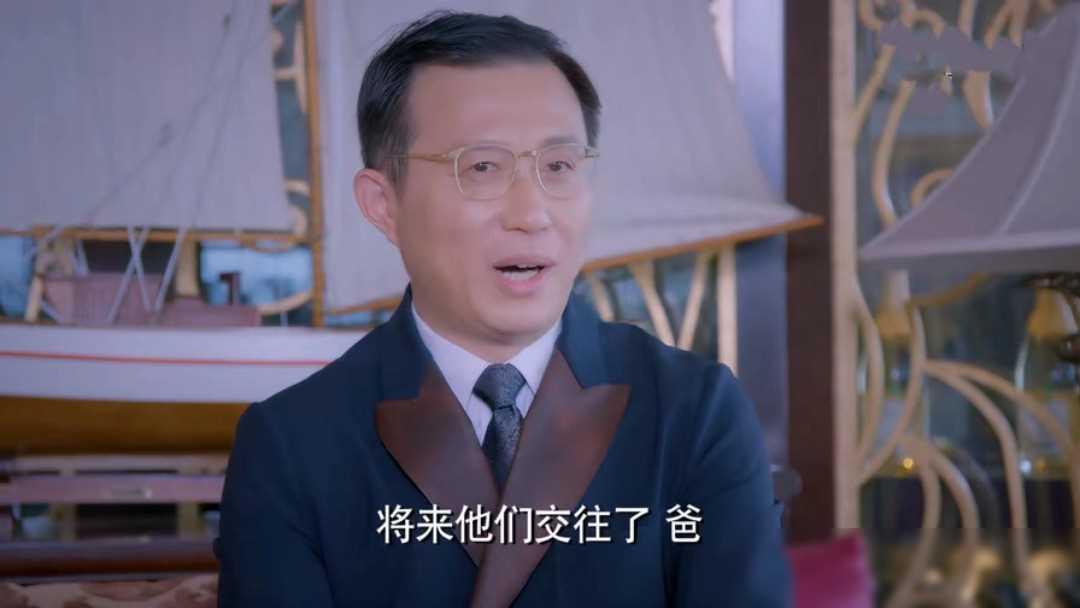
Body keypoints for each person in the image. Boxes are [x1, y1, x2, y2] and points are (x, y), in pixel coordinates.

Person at [216, 10, 791, 607]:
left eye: (558, 166)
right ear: (384, 204)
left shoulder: (693, 412)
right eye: (482, 167)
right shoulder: (292, 445)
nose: (532, 213)